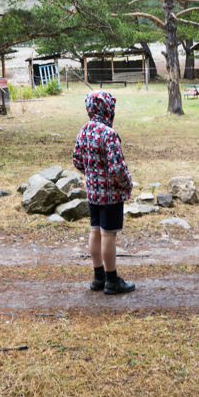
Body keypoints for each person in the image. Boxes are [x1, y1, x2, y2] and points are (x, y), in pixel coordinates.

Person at [72, 91, 135, 295]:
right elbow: (117, 168)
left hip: (92, 191)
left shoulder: (84, 131)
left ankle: (98, 277)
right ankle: (112, 280)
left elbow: (77, 160)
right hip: (110, 193)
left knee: (95, 231)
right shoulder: (108, 133)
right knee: (108, 234)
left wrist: (91, 174)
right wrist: (127, 184)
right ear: (106, 108)